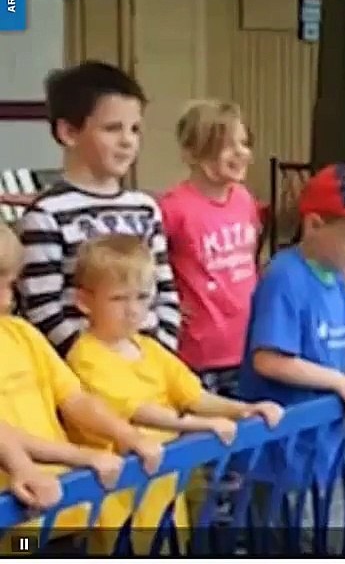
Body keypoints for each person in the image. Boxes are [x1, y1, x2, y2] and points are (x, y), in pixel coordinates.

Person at [65, 235, 284, 553]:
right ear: (85, 302)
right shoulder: (85, 356)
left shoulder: (151, 348)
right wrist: (200, 425)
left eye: (142, 297)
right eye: (118, 299)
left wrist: (243, 409)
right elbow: (137, 412)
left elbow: (193, 395)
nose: (133, 310)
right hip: (117, 501)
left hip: (165, 488)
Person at [237, 163, 345, 533]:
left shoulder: (335, 274)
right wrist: (339, 382)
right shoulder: (285, 276)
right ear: (314, 225)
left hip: (326, 444)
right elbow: (270, 359)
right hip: (285, 454)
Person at [0, 223, 163, 550]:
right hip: (14, 522)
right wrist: (81, 455)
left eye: (10, 284)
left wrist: (125, 434)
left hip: (63, 509)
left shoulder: (20, 333)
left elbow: (74, 398)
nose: (6, 299)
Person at [19, 61, 182, 356]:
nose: (127, 141)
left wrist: (159, 354)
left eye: (135, 129)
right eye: (112, 129)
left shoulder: (145, 209)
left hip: (148, 362)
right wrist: (98, 362)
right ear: (69, 132)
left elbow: (165, 292)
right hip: (84, 370)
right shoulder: (46, 216)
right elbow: (43, 309)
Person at [159, 100, 259, 393]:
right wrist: (165, 302)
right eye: (227, 145)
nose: (241, 152)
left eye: (244, 143)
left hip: (248, 344)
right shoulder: (174, 208)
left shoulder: (244, 199)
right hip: (198, 352)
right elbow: (148, 262)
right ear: (193, 153)